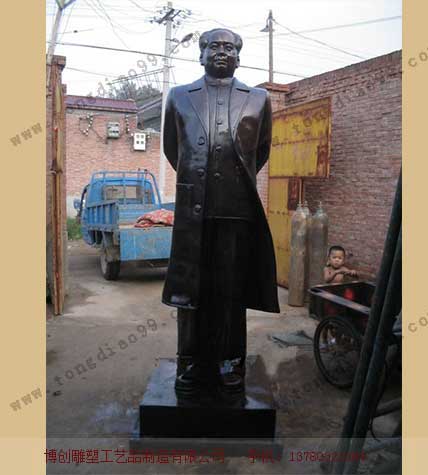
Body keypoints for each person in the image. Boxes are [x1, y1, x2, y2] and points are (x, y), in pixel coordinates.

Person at [162, 28, 280, 398]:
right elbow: (172, 148)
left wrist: (232, 181)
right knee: (191, 290)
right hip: (193, 210)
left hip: (236, 210)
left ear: (238, 57)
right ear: (201, 54)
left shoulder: (259, 98)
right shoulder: (179, 96)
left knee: (230, 291)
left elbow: (261, 150)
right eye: (214, 46)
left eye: (229, 47)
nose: (221, 52)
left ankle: (231, 362)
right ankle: (189, 361)